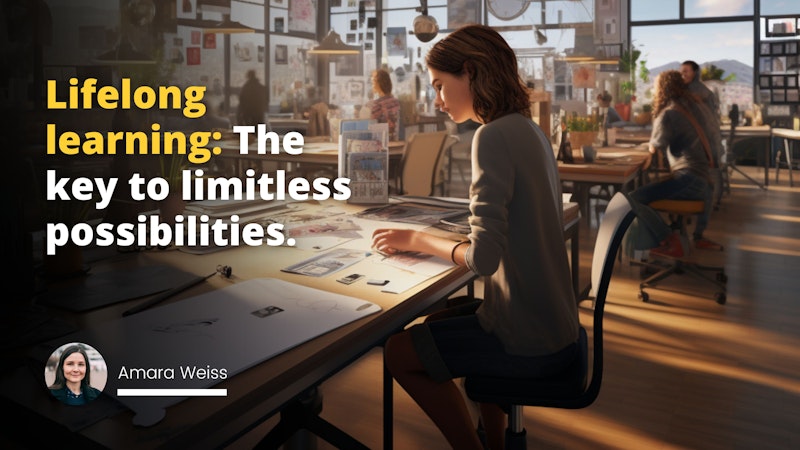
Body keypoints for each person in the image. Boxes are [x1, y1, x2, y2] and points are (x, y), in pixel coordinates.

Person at [371, 25, 579, 450]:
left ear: (469, 72)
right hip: (556, 324)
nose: (437, 99)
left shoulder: (492, 136)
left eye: (440, 86)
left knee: (398, 352)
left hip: (527, 337)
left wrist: (417, 237)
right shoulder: (528, 128)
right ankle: (495, 440)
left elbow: (484, 259)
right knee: (436, 323)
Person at [626, 70, 714, 259]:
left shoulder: (668, 113)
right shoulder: (691, 107)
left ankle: (668, 240)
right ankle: (661, 244)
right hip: (703, 180)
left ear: (662, 89)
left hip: (689, 180)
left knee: (633, 198)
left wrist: (637, 151)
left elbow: (654, 150)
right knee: (646, 193)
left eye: (656, 87)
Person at [680, 60, 724, 249]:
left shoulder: (701, 92)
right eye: (681, 71)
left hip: (705, 140)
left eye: (686, 71)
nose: (683, 74)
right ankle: (694, 228)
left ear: (695, 72)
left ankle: (699, 230)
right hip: (695, 142)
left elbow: (709, 117)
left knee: (709, 179)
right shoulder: (685, 92)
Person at [369, 68, 401, 141]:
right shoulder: (396, 102)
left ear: (380, 83)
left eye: (373, 82)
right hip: (394, 140)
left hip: (381, 143)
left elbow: (371, 127)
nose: (372, 85)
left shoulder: (377, 104)